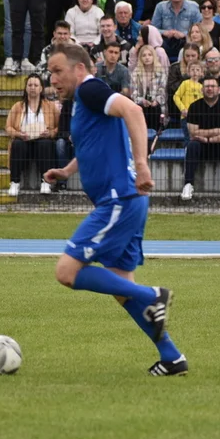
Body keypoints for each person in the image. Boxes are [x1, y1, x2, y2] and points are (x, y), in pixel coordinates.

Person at [41, 43, 183, 376]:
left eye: (58, 71)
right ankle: (172, 357)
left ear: (79, 69)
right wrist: (67, 171)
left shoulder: (90, 88)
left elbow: (133, 111)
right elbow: (94, 144)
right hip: (127, 202)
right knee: (120, 289)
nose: (53, 79)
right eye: (50, 72)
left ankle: (152, 294)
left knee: (67, 272)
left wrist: (142, 164)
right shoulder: (82, 101)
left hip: (119, 200)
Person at [180, 75, 220, 200]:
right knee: (192, 145)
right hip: (201, 146)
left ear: (219, 90)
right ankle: (188, 184)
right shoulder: (194, 107)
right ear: (202, 90)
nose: (210, 89)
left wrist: (210, 138)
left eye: (213, 86)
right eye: (207, 86)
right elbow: (193, 133)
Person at [6, 73, 59, 197]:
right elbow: (8, 127)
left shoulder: (50, 107)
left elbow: (58, 127)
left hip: (42, 141)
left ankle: (45, 182)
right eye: (30, 85)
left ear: (41, 88)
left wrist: (50, 133)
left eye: (36, 85)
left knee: (45, 143)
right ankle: (15, 182)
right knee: (17, 144)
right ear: (26, 88)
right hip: (24, 141)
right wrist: (18, 134)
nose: (32, 87)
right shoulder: (18, 106)